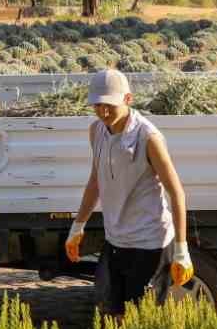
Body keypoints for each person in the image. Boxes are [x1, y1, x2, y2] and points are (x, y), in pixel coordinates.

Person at [64, 68, 195, 314]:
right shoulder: (96, 131)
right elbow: (95, 181)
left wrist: (181, 249)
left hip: (150, 245)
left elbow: (176, 193)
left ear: (128, 99)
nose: (103, 112)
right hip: (115, 240)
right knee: (110, 314)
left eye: (109, 105)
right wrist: (77, 226)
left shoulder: (148, 137)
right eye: (97, 105)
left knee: (140, 320)